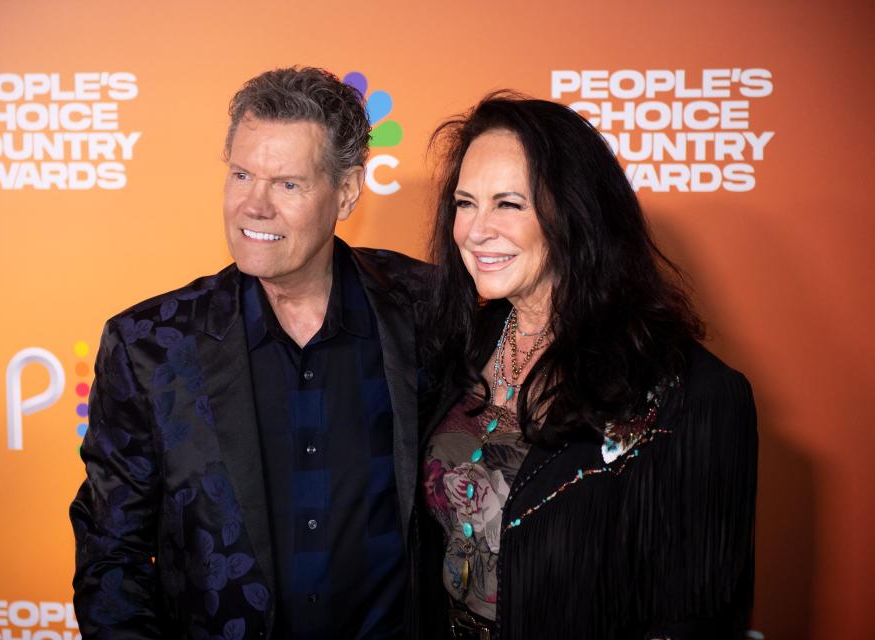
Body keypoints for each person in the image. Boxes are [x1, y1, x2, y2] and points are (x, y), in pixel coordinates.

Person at [70, 67, 431, 640]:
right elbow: (111, 556)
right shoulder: (149, 346)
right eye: (242, 175)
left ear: (347, 191)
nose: (253, 206)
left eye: (287, 184)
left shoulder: (427, 310)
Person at [418, 94, 758, 639]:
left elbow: (691, 619)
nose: (475, 230)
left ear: (576, 211)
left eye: (508, 204)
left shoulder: (688, 394)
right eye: (465, 203)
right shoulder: (460, 342)